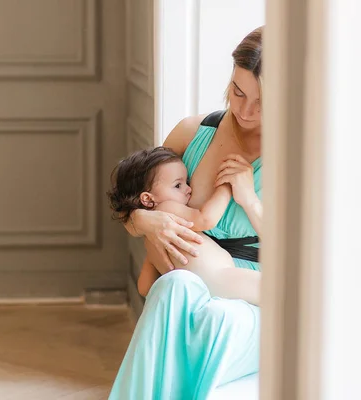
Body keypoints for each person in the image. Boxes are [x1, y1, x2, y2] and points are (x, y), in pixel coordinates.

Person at [108, 26, 264, 400]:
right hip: (189, 279)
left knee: (216, 319)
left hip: (259, 290)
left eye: (262, 101)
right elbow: (137, 200)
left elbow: (307, 259)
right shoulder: (193, 131)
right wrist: (147, 220)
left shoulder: (300, 153)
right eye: (238, 91)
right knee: (175, 286)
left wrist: (249, 199)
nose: (244, 110)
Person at [107, 146, 260, 304]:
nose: (188, 189)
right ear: (148, 199)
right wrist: (226, 186)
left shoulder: (152, 240)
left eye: (186, 182)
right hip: (223, 279)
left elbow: (144, 287)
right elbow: (205, 219)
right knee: (277, 290)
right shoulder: (166, 208)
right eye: (178, 185)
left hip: (200, 295)